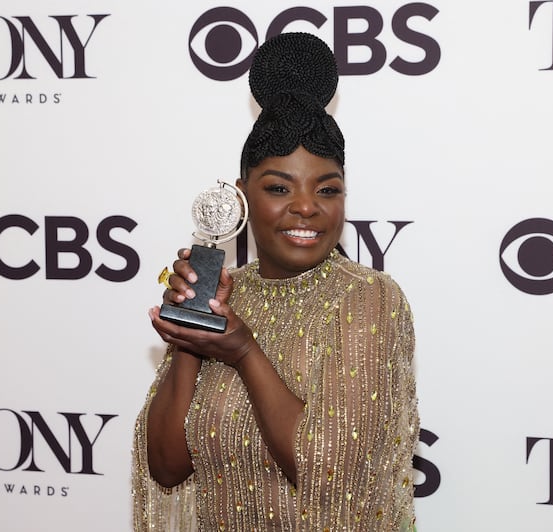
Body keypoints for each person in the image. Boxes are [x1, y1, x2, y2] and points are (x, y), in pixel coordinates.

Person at [132, 32, 419, 531]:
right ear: (242, 195)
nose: (306, 206)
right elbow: (166, 467)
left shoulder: (369, 298)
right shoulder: (225, 292)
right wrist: (189, 336)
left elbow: (331, 475)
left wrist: (244, 350)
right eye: (279, 187)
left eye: (327, 189)